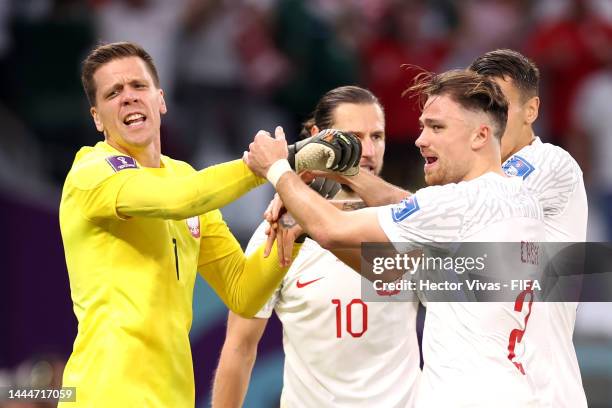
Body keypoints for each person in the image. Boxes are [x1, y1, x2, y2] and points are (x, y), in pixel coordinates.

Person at [58, 42, 358, 407]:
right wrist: (276, 165)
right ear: (97, 118)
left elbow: (242, 291)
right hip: (105, 395)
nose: (128, 98)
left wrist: (297, 226)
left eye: (138, 86)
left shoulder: (185, 177)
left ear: (161, 100)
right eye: (113, 93)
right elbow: (176, 200)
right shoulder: (91, 172)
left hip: (173, 396)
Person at [245, 69, 545, 407]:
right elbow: (394, 267)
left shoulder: (457, 205)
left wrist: (279, 169)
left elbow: (332, 229)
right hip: (517, 391)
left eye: (437, 127)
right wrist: (312, 220)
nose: (420, 140)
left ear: (479, 136)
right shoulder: (522, 198)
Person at [211, 86, 420, 407]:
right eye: (352, 137)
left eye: (377, 136)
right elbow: (240, 348)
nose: (367, 150)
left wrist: (299, 182)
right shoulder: (277, 228)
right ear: (317, 137)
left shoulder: (407, 223)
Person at [469, 48, 588, 408]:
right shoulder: (463, 184)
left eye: (500, 106)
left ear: (532, 110)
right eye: (480, 106)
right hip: (484, 388)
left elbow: (473, 212)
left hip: (543, 391)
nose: (489, 120)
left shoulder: (550, 164)